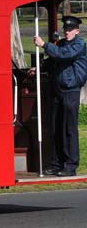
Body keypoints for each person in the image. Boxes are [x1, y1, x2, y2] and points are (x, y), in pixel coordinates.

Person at [33, 15, 87, 177]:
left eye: (70, 30)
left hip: (71, 90)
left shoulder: (79, 44)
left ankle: (70, 165)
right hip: (58, 89)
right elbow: (54, 60)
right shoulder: (62, 44)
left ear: (77, 31)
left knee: (69, 129)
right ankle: (57, 164)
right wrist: (38, 67)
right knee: (56, 128)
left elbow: (64, 55)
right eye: (65, 29)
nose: (67, 32)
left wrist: (44, 44)